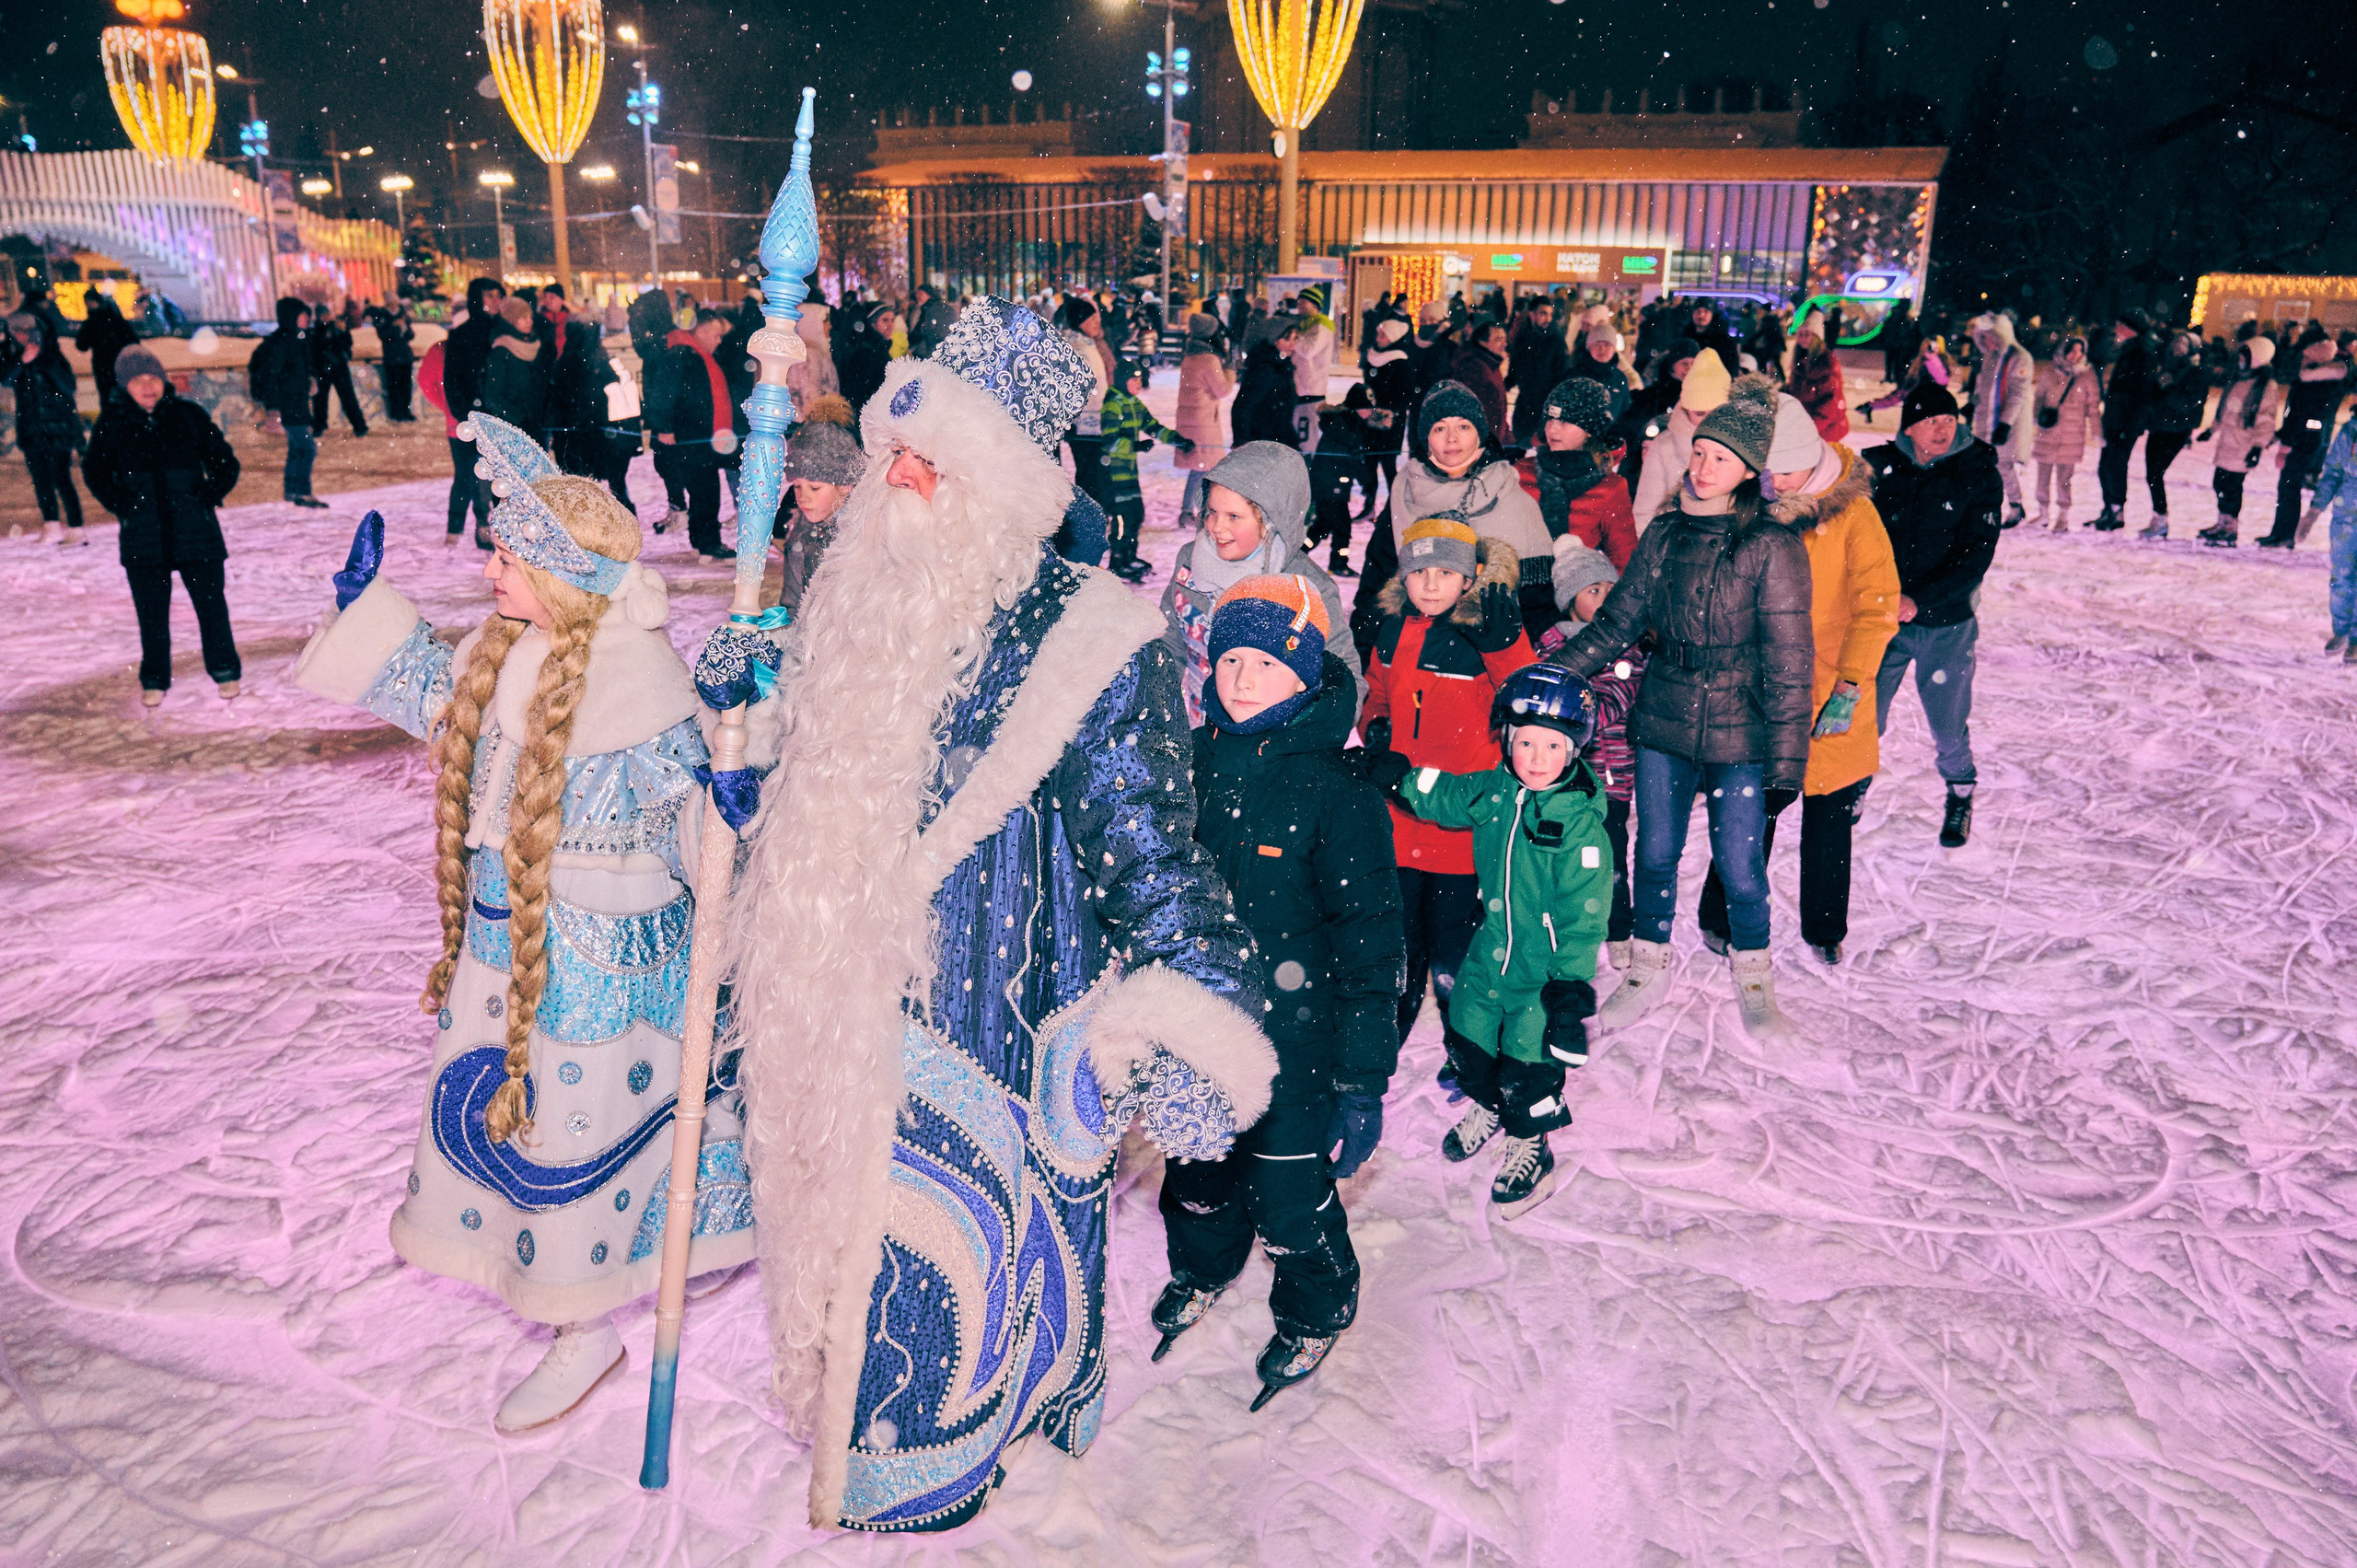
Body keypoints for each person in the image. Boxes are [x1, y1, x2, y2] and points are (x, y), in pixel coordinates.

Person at [697, 297, 1275, 1532]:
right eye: (895, 455)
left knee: (943, 1280)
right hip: (832, 1000)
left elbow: (1153, 852)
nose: (898, 481)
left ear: (1003, 487)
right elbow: (814, 795)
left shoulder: (1095, 638)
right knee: (838, 1237)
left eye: (931, 463)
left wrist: (1198, 1009)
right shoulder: (848, 601)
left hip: (980, 1013)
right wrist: (741, 751)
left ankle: (942, 1454)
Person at [289, 416, 754, 1438]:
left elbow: (698, 847)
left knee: (569, 1141)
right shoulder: (509, 653)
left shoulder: (645, 693)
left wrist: (724, 794)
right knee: (514, 1123)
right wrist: (363, 612)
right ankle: (554, 1283)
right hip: (503, 955)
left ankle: (583, 1320)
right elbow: (429, 689)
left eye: (509, 555)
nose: (489, 566)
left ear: (564, 578)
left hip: (597, 975)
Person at [1154, 575, 1402, 1405]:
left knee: (1289, 1191)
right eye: (1231, 659)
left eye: (1266, 661)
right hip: (1197, 1028)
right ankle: (1203, 1265)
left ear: (1304, 675)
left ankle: (1317, 1304)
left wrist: (1361, 1080)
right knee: (1196, 1173)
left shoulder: (1340, 792)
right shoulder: (1188, 761)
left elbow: (1372, 948)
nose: (1244, 677)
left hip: (1296, 1041)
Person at [1547, 375, 1815, 1039]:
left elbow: (1789, 659)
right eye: (1698, 453)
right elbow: (1614, 627)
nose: (1701, 468)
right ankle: (1647, 967)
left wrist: (1787, 759)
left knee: (1739, 863)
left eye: (1719, 458)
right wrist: (1548, 678)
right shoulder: (1664, 536)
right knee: (1655, 852)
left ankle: (1755, 976)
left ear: (1749, 471)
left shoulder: (1770, 546)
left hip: (1742, 724)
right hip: (1665, 711)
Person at [1390, 663, 1610, 1217]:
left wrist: (1568, 993)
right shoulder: (1496, 789)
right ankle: (1488, 1103)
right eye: (1526, 742)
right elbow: (1443, 794)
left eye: (1552, 746)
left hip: (1541, 973)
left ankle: (1530, 1142)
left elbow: (1585, 917)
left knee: (1528, 1062)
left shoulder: (1580, 827)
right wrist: (1393, 775)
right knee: (1469, 1034)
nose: (1537, 758)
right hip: (1489, 954)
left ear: (1573, 751)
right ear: (1508, 742)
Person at [1697, 393, 1899, 966]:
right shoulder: (1751, 507)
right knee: (1749, 811)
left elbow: (1877, 602)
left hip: (1835, 688)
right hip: (1762, 686)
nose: (1777, 482)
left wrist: (1853, 682)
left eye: (1786, 470)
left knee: (1829, 820)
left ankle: (1824, 927)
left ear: (1812, 459)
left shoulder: (1853, 513)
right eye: (1768, 470)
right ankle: (1724, 915)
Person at [1359, 512, 1532, 1046]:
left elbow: (1526, 701)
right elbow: (1377, 694)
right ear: (1402, 578)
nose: (1431, 583)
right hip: (1399, 822)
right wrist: (1375, 725)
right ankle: (1389, 1031)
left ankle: (1472, 1043)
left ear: (1470, 577)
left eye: (1445, 572)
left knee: (1458, 951)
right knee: (1399, 945)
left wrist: (1504, 648)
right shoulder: (1392, 630)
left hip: (1459, 826)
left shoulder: (1487, 630)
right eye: (1419, 571)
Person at [1861, 381, 2003, 849]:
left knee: (1946, 723)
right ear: (1909, 428)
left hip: (1946, 625)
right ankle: (1853, 784)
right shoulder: (1881, 468)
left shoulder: (1977, 471)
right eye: (1930, 421)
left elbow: (1975, 557)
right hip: (1884, 622)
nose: (1942, 430)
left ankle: (1960, 791)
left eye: (1948, 420)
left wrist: (1919, 599)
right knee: (1865, 715)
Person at [81, 347, 244, 706]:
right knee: (151, 614)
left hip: (195, 530)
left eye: (153, 378)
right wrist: (122, 503)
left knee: (211, 607)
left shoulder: (188, 415)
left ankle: (225, 670)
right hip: (144, 534)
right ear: (125, 386)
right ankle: (155, 678)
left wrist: (208, 493)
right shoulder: (113, 422)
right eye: (138, 381)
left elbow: (225, 462)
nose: (148, 386)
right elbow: (94, 471)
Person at [1162, 441, 1357, 726]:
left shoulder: (1307, 588)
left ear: (1271, 522)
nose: (1216, 527)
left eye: (1234, 517)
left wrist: (1306, 736)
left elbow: (1344, 678)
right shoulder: (1190, 564)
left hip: (1269, 749)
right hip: (1198, 735)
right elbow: (1168, 644)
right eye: (1212, 512)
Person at [1353, 378, 1553, 653]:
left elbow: (1536, 604)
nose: (1452, 438)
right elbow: (1376, 583)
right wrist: (1363, 654)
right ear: (1426, 439)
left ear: (1479, 433)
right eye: (1439, 428)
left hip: (1488, 653)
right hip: (1411, 649)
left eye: (1463, 426)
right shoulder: (1405, 491)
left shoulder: (1511, 496)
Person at [1539, 544, 1643, 968]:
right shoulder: (1549, 644)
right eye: (1591, 590)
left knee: (1609, 858)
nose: (1604, 598)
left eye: (1609, 588)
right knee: (1559, 855)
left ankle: (1619, 927)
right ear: (1569, 600)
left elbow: (1609, 701)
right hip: (1561, 781)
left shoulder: (1626, 646)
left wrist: (1564, 713)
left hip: (1609, 778)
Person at [645, 307, 738, 563]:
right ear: (703, 330)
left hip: (704, 437)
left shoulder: (697, 353)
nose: (719, 341)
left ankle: (704, 539)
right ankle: (708, 542)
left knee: (705, 491)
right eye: (717, 335)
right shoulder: (682, 354)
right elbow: (663, 393)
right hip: (692, 437)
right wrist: (665, 428)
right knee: (706, 492)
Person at [1523, 376, 1638, 571]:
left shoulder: (1610, 488)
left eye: (1565, 421)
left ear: (1590, 430)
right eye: (1550, 419)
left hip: (1574, 594)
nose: (1553, 428)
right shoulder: (1522, 471)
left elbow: (1624, 562)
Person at [2256, 328, 2351, 549]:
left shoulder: (2314, 379)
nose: (2302, 357)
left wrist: (2287, 444)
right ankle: (2281, 533)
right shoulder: (2316, 376)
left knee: (2289, 488)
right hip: (2305, 439)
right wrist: (2282, 435)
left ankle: (2284, 535)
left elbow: (2303, 415)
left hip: (2302, 441)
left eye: (2306, 353)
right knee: (2288, 487)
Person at [1099, 357, 1192, 582]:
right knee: (1122, 517)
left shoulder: (1134, 403)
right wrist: (1136, 446)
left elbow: (1153, 427)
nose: (1139, 384)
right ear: (1123, 380)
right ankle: (1118, 560)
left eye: (1140, 380)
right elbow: (1110, 442)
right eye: (1134, 380)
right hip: (1114, 473)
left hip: (1129, 472)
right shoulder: (1113, 405)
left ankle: (1130, 556)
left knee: (1136, 514)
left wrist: (1177, 440)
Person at [774, 396, 864, 617]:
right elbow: (792, 605)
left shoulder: (864, 540)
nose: (803, 497)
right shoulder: (801, 537)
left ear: (845, 486)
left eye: (814, 488)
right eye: (796, 486)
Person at [6, 310, 89, 544]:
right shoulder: (14, 356)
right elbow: (5, 379)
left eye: (23, 330)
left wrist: (44, 362)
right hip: (31, 428)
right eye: (15, 331)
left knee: (61, 477)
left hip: (58, 427)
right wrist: (22, 362)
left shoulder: (53, 354)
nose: (19, 336)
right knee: (40, 478)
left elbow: (69, 385)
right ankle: (51, 525)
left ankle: (76, 527)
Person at [1630, 347, 1730, 525]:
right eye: (1699, 414)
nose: (1707, 423)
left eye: (1715, 413)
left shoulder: (1739, 447)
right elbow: (1645, 510)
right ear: (1686, 410)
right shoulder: (1664, 445)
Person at [2196, 337, 2281, 546]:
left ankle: (2230, 528)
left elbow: (2266, 419)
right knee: (2220, 483)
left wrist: (2258, 447)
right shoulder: (2238, 379)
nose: (2241, 359)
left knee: (2231, 487)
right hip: (2227, 442)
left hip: (2244, 444)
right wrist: (2211, 430)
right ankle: (2222, 522)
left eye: (2246, 356)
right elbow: (2225, 411)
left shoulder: (2265, 386)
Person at [246, 296, 328, 509]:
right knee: (307, 448)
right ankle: (302, 491)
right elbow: (272, 377)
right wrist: (273, 409)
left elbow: (302, 367)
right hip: (287, 403)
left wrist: (310, 379)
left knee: (296, 448)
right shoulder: (281, 343)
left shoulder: (298, 339)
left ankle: (292, 490)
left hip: (297, 401)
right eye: (302, 316)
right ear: (291, 317)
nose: (307, 321)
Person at [444, 278, 508, 540]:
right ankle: (482, 524)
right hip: (476, 418)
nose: (495, 301)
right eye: (488, 296)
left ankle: (509, 527)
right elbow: (452, 381)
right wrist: (466, 414)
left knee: (506, 475)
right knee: (477, 473)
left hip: (506, 418)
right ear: (476, 300)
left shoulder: (506, 332)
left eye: (498, 296)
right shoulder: (461, 336)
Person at [548, 316, 630, 512]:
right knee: (595, 483)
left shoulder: (571, 358)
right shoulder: (589, 358)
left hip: (579, 430)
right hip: (589, 430)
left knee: (581, 484)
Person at [2136, 331, 2207, 540]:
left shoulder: (2196, 372)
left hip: (2177, 431)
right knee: (2152, 474)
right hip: (2159, 427)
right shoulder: (2166, 367)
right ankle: (2159, 517)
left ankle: (2160, 518)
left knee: (2156, 473)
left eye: (2183, 345)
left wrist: (2168, 386)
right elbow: (2154, 398)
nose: (2177, 349)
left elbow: (2187, 403)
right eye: (2176, 344)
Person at [1967, 312, 2034, 528]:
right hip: (1986, 423)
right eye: (1983, 337)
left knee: (2003, 465)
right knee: (1985, 466)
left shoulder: (2019, 358)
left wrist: (2005, 424)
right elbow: (1983, 388)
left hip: (2006, 424)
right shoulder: (1990, 358)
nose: (1986, 342)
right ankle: (1985, 506)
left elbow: (2018, 394)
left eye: (1990, 336)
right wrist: (1973, 402)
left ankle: (2015, 505)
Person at [2299, 419, 2357, 662]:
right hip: (2346, 519)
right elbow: (2333, 472)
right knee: (2341, 577)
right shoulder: (2350, 431)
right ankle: (2342, 631)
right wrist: (2314, 511)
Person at [2093, 311, 2155, 531]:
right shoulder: (2129, 350)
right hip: (2117, 419)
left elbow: (2142, 395)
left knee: (2114, 466)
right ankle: (2109, 508)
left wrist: (2129, 426)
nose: (2116, 329)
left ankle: (2117, 511)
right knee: (2106, 466)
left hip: (2125, 423)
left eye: (2120, 325)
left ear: (2132, 328)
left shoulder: (2142, 353)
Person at [2032, 335, 2101, 530]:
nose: (2075, 355)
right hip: (2048, 431)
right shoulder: (2049, 372)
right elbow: (2039, 397)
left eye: (2080, 351)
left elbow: (2093, 407)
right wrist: (2036, 417)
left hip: (2072, 435)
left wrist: (2097, 431)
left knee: (2065, 478)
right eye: (2072, 350)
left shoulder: (2088, 375)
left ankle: (2063, 515)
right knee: (2042, 475)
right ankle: (2043, 513)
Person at [1174, 312, 1234, 519]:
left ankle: (1189, 511)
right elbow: (1223, 389)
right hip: (1203, 421)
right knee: (1204, 468)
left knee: (1200, 468)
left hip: (1193, 419)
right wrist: (1231, 370)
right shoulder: (1209, 359)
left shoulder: (1191, 356)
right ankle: (1194, 512)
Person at [473, 297, 548, 439]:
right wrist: (520, 419)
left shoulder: (533, 347)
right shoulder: (501, 352)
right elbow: (493, 395)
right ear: (511, 320)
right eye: (523, 317)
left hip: (534, 424)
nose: (530, 321)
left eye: (530, 317)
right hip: (511, 429)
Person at [1506, 298, 1572, 450]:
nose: (1548, 319)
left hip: (1546, 408)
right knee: (1521, 450)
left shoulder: (1556, 342)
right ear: (1532, 314)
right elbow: (1514, 372)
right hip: (1524, 406)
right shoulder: (1522, 339)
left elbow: (1563, 378)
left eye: (1550, 314)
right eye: (1543, 314)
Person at [1232, 315, 1302, 448]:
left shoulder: (1282, 365)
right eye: (1287, 339)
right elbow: (1243, 406)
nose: (1293, 344)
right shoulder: (1265, 369)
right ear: (1273, 339)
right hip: (1264, 441)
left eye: (1295, 338)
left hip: (1277, 438)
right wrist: (1241, 440)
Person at [1450, 319, 1511, 450]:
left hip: (1490, 445)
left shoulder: (1491, 365)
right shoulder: (1473, 368)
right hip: (1478, 448)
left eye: (1505, 339)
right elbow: (1466, 413)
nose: (1504, 344)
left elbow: (1497, 410)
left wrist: (1506, 437)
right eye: (1498, 339)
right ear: (1482, 342)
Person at [310, 302, 369, 438]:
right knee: (320, 400)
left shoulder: (337, 327)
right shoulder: (315, 331)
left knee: (348, 397)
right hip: (323, 368)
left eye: (326, 314)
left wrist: (343, 332)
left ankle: (359, 426)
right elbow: (315, 348)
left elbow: (347, 343)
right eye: (322, 315)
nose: (325, 318)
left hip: (338, 367)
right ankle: (319, 425)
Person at [1290, 285, 1339, 448]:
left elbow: (1308, 350)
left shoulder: (1321, 325)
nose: (1300, 304)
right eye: (1299, 301)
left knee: (1307, 442)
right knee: (1298, 440)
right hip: (1300, 390)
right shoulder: (1304, 324)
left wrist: (1291, 338)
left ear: (1315, 304)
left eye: (1305, 301)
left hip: (1311, 391)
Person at [1787, 316, 1849, 444]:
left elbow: (1828, 405)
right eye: (1800, 334)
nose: (1803, 338)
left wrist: (1809, 429)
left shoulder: (1826, 364)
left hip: (1824, 431)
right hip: (1810, 428)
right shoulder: (1802, 360)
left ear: (1817, 337)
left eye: (1807, 334)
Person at [75, 292, 141, 405]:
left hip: (104, 366)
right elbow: (133, 341)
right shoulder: (115, 319)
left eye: (89, 302)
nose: (88, 305)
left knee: (108, 398)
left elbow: (82, 345)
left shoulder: (93, 322)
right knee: (123, 396)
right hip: (118, 364)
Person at [831, 299, 891, 412]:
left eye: (892, 320)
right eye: (885, 320)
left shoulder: (878, 347)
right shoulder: (867, 351)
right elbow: (862, 392)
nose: (890, 326)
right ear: (872, 324)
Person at [369, 299, 418, 423]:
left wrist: (404, 328)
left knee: (405, 385)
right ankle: (396, 413)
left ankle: (405, 411)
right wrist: (394, 327)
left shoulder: (403, 316)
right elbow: (384, 336)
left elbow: (410, 335)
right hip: (392, 357)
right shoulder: (383, 317)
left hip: (404, 356)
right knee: (394, 386)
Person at [1686, 299, 1740, 372]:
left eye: (1706, 311)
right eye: (1698, 311)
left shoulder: (1725, 341)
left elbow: (1732, 367)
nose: (1701, 315)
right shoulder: (1685, 337)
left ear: (1712, 314)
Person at [906, 283, 952, 358]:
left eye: (921, 294)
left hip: (927, 350)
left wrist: (910, 341)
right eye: (917, 294)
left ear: (929, 295)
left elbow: (923, 330)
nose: (918, 297)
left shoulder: (931, 309)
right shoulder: (925, 308)